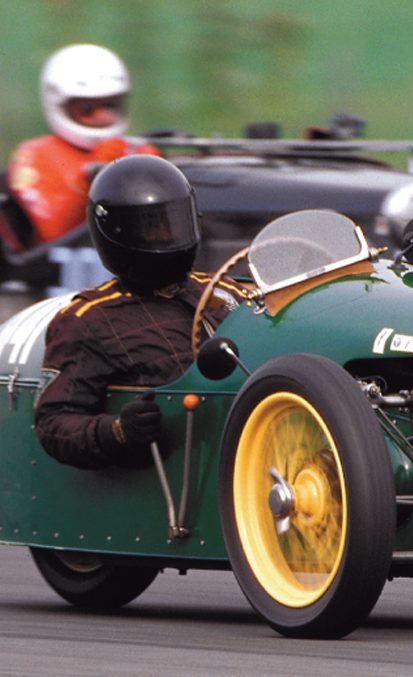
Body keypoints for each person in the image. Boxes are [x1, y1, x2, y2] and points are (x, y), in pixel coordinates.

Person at [34, 155, 245, 469]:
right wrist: (117, 430)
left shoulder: (226, 288)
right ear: (117, 233)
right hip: (185, 476)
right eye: (152, 229)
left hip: (260, 444)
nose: (167, 236)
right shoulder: (88, 320)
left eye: (174, 223)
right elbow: (53, 422)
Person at [6, 44, 159, 249]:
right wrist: (95, 173)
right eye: (88, 109)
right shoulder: (35, 156)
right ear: (59, 105)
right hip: (60, 270)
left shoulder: (139, 151)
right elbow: (54, 233)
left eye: (110, 105)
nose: (103, 116)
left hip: (137, 260)